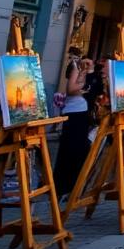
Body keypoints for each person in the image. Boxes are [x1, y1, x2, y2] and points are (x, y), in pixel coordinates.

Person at [53, 56, 93, 198]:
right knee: (73, 149)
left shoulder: (80, 70)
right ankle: (65, 184)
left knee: (77, 149)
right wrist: (84, 86)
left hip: (78, 111)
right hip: (74, 112)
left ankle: (71, 184)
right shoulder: (76, 68)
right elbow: (71, 89)